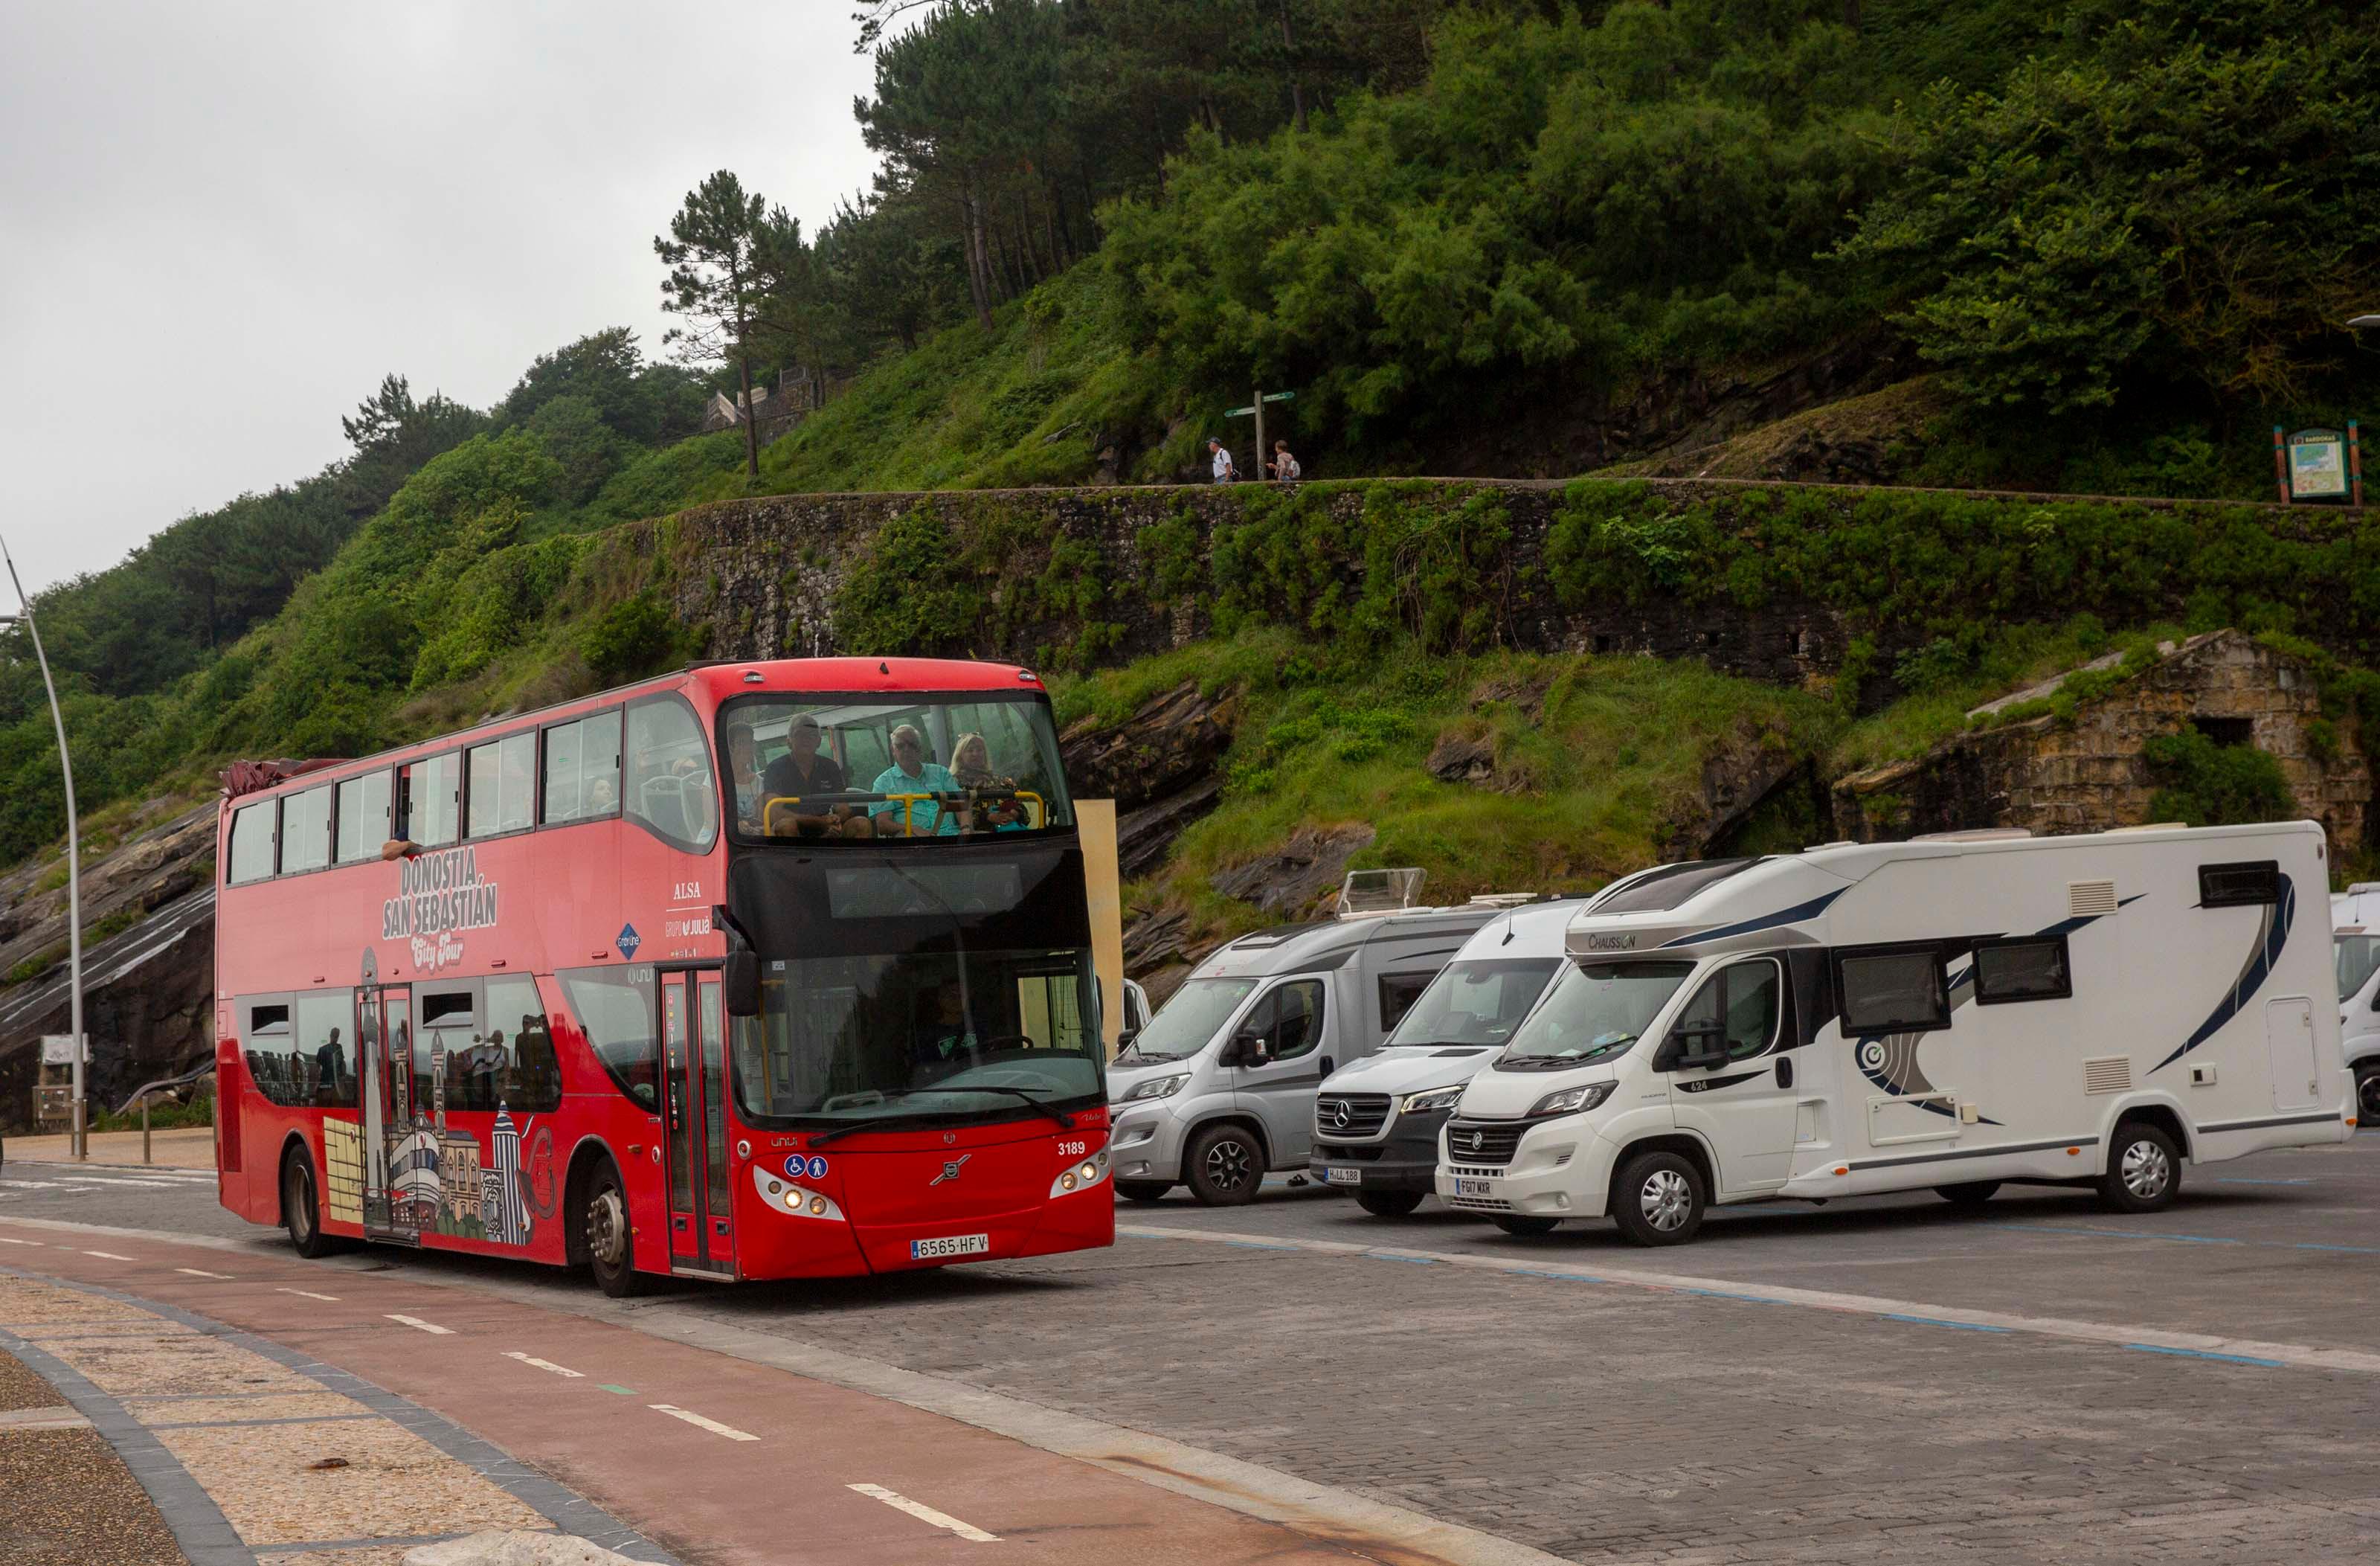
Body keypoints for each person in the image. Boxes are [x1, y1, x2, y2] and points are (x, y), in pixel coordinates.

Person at [868, 723, 961, 836]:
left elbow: (961, 805)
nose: (907, 750)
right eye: (901, 746)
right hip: (913, 842)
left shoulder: (941, 773)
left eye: (912, 745)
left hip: (954, 837)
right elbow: (883, 825)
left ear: (919, 749)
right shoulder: (883, 783)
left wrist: (967, 830)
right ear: (893, 750)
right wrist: (911, 828)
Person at [951, 732, 1029, 832]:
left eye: (979, 750)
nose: (976, 754)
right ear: (960, 756)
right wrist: (988, 817)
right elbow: (956, 817)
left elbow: (1025, 814)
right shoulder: (953, 782)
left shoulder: (1003, 782)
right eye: (970, 750)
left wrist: (1015, 813)